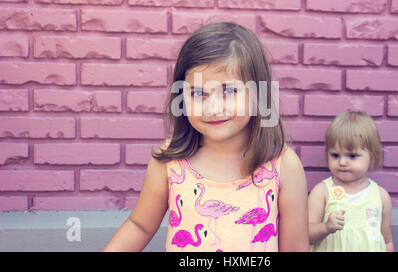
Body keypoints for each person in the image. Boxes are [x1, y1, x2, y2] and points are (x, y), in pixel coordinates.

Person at [103, 22, 309, 252]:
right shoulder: (170, 162)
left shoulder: (284, 166)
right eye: (199, 93)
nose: (213, 107)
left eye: (229, 91)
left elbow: (295, 247)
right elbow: (139, 226)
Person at [308, 111, 394, 252]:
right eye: (335, 155)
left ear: (372, 157)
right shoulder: (322, 191)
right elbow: (307, 235)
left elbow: (387, 241)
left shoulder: (381, 196)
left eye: (352, 156)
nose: (342, 162)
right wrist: (326, 227)